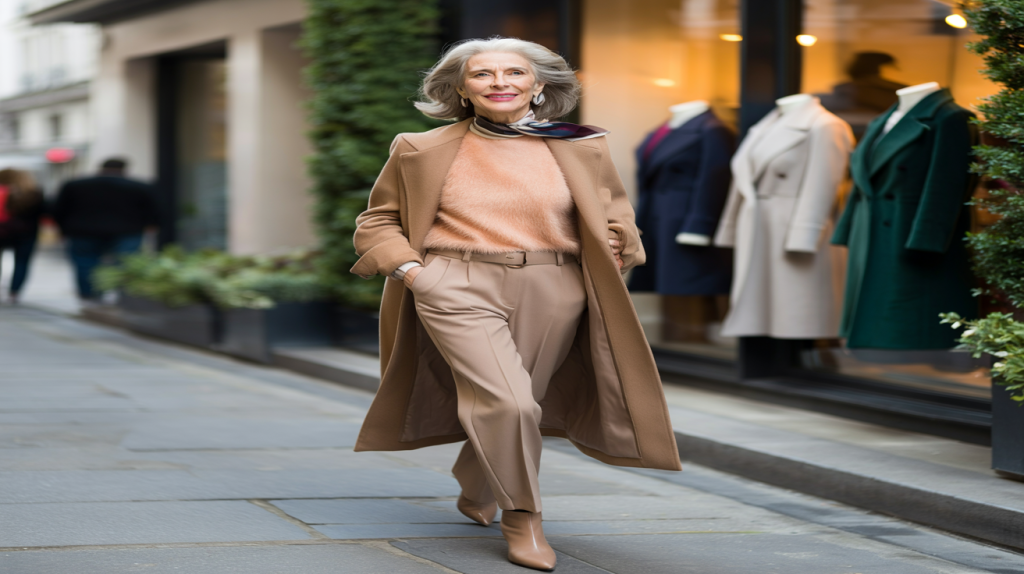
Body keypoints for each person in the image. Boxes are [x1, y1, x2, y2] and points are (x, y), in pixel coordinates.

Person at [350, 37, 681, 571]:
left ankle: (477, 475)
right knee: (512, 404)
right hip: (454, 283)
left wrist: (620, 243)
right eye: (483, 75)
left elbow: (613, 211)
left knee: (523, 396)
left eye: (513, 72)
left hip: (555, 285)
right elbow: (377, 222)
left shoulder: (580, 145)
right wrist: (415, 273)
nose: (499, 82)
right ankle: (523, 520)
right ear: (461, 88)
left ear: (538, 84)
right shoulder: (420, 147)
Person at [52, 158, 159, 300]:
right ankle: (124, 294)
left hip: (83, 231)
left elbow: (58, 209)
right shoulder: (140, 186)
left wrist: (63, 229)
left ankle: (89, 295)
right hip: (127, 231)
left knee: (85, 264)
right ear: (125, 169)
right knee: (125, 264)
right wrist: (151, 225)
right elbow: (155, 210)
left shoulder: (75, 185)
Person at [0, 169, 46, 304]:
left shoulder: (2, 191)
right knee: (22, 262)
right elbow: (44, 212)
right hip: (27, 232)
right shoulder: (34, 193)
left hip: (2, 230)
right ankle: (14, 292)